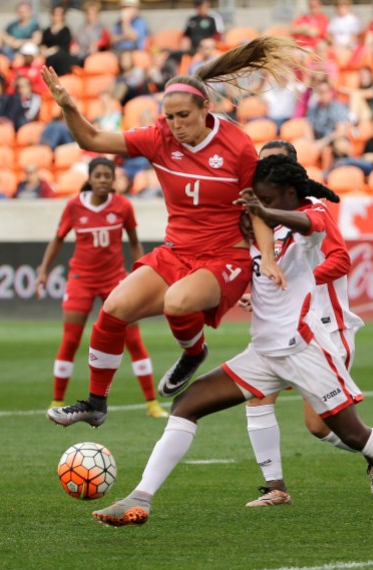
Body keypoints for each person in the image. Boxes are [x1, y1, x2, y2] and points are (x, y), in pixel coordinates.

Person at [89, 154, 373, 540]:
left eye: (268, 198)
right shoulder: (258, 225)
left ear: (288, 193)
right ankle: (140, 498)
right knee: (187, 404)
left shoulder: (309, 219)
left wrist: (266, 212)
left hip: (304, 352)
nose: (261, 205)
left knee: (354, 434)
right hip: (264, 353)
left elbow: (309, 224)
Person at [44, 36, 300, 427]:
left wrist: (265, 258)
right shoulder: (159, 138)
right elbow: (91, 139)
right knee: (113, 310)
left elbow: (257, 210)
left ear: (206, 108)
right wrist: (68, 106)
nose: (176, 125)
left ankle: (194, 351)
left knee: (178, 302)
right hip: (176, 252)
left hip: (225, 256)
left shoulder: (237, 145)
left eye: (184, 115)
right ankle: (96, 404)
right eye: (170, 117)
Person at [240, 141, 373, 507]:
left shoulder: (314, 210)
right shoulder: (264, 216)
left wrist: (297, 279)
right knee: (257, 394)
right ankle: (276, 486)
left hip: (326, 327)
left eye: (278, 164)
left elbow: (340, 259)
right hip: (285, 330)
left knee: (319, 426)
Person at [35, 157, 168, 418]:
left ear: (113, 179)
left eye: (108, 175)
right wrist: (43, 271)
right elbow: (58, 239)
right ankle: (56, 401)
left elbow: (134, 241)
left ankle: (152, 404)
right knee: (71, 339)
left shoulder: (122, 205)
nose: (104, 180)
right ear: (90, 178)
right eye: (99, 175)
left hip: (114, 280)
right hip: (81, 280)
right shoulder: (74, 206)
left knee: (133, 339)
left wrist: (141, 271)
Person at [40, 5, 81, 77]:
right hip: (48, 55)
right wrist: (44, 50)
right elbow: (43, 43)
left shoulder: (65, 30)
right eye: (55, 15)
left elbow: (64, 45)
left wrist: (51, 51)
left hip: (61, 54)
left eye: (59, 15)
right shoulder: (47, 31)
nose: (56, 17)